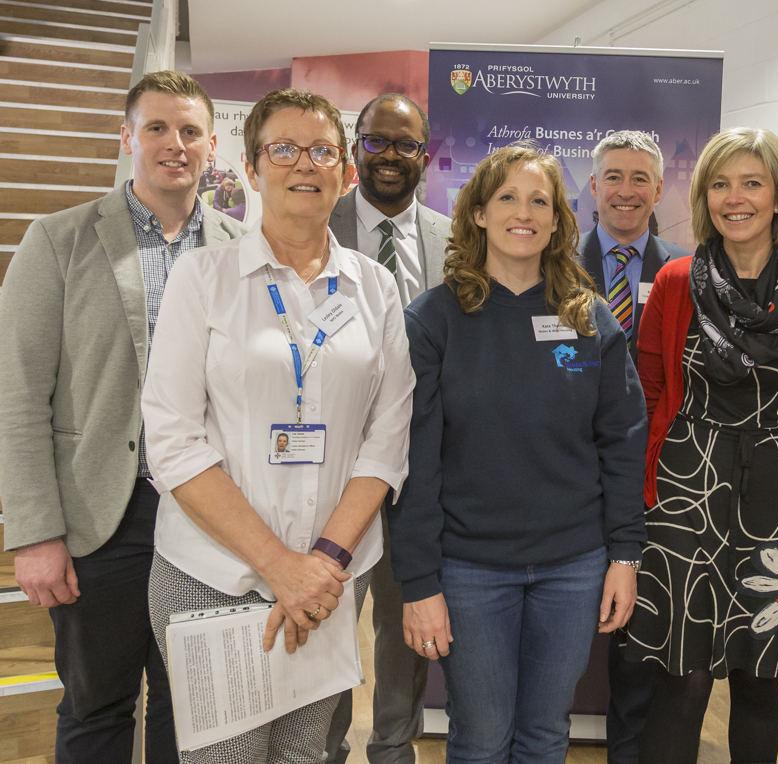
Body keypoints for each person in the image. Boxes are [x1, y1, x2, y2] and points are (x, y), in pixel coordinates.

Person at [139, 88, 414, 763]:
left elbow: (387, 439)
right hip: (213, 576)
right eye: (283, 149)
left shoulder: (374, 290)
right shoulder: (201, 280)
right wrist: (278, 567)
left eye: (323, 150)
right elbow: (172, 441)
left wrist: (320, 565)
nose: (305, 165)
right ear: (252, 168)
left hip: (328, 579)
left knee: (304, 756)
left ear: (346, 172)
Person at [0, 70, 244, 764]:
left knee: (196, 709)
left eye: (190, 131)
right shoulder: (58, 240)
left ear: (211, 144)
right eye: (158, 128)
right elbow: (17, 396)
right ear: (127, 135)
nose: (175, 144)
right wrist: (35, 532)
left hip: (208, 518)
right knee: (96, 705)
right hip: (99, 516)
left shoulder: (241, 248)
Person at [390, 142, 647, 763]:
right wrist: (419, 582)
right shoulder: (434, 321)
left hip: (573, 565)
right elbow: (413, 465)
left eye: (540, 200)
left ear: (558, 220)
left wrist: (624, 554)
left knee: (543, 736)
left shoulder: (589, 320)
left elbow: (622, 442)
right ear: (478, 213)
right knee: (479, 739)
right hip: (471, 569)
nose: (523, 212)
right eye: (507, 197)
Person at [625, 127, 778, 764]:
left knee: (759, 678)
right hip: (685, 495)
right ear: (703, 198)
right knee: (682, 681)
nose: (735, 198)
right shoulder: (674, 280)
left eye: (752, 183)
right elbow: (650, 390)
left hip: (776, 499)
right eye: (720, 184)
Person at [324, 92, 450, 764]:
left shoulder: (456, 238)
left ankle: (394, 748)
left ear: (424, 155)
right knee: (329, 628)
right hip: (331, 476)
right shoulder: (314, 223)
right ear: (356, 147)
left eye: (405, 144)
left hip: (420, 477)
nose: (391, 157)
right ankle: (324, 747)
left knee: (407, 631)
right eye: (377, 142)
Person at [577, 129, 692, 764]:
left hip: (657, 478)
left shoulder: (684, 271)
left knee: (642, 635)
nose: (626, 190)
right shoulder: (552, 264)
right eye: (613, 177)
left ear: (658, 188)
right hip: (568, 473)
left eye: (639, 178)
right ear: (593, 187)